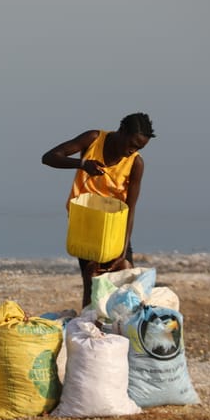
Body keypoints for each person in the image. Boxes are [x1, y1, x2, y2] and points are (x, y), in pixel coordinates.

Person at [41, 113, 156, 309]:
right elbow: (49, 158)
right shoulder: (93, 139)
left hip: (114, 228)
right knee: (92, 280)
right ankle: (90, 328)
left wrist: (123, 249)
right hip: (85, 222)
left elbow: (130, 208)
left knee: (125, 277)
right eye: (132, 144)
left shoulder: (136, 163)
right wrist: (83, 164)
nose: (132, 151)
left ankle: (121, 332)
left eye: (138, 148)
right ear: (122, 131)